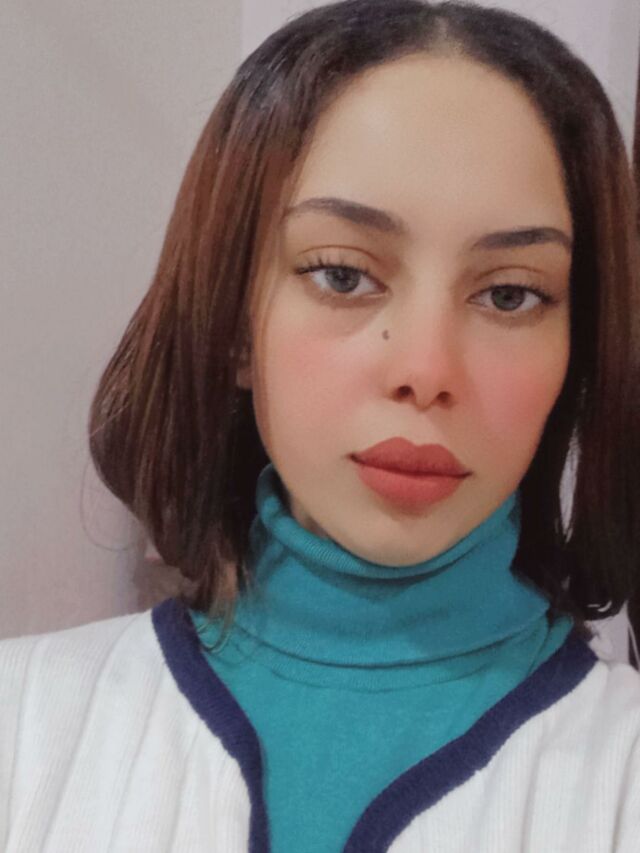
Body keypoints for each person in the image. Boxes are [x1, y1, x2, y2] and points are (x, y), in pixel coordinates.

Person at [2, 0, 639, 850]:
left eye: (510, 293)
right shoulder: (24, 722)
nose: (426, 369)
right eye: (342, 274)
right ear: (233, 324)